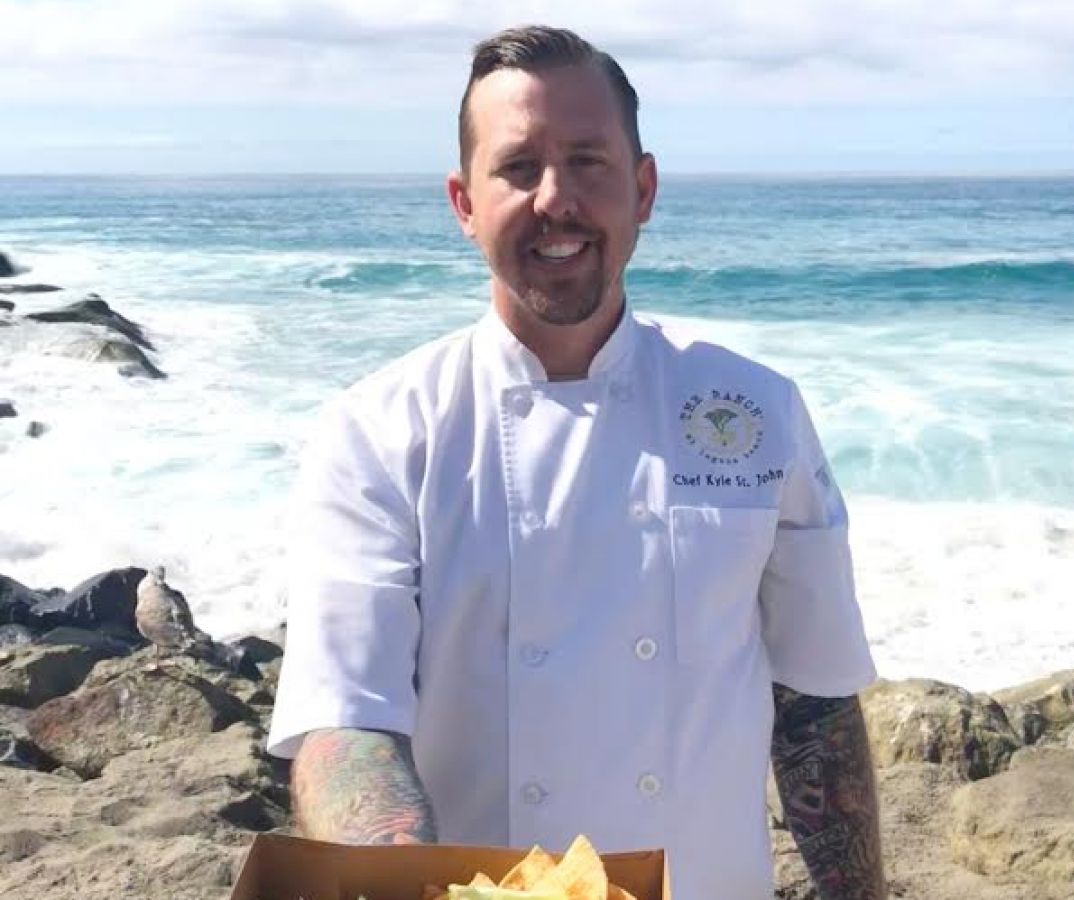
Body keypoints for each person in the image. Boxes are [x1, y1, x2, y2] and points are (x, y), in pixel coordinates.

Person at [267, 25, 885, 900]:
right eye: (518, 167)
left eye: (589, 162)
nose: (557, 200)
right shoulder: (379, 431)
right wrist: (410, 883)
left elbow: (815, 705)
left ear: (643, 188)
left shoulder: (753, 410)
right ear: (463, 202)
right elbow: (346, 726)